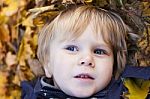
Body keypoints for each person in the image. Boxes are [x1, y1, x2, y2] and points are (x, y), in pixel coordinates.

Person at [21, 5, 150, 99]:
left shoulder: (133, 93)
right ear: (48, 64)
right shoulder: (31, 95)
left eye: (99, 51)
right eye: (71, 48)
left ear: (114, 65)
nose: (87, 59)